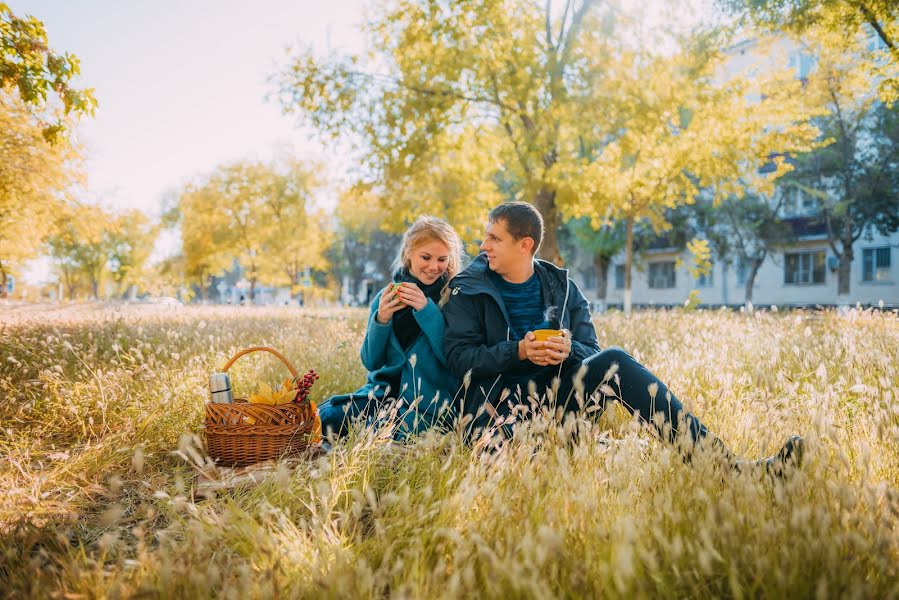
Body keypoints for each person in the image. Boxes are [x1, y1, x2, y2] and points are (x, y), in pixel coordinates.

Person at [442, 201, 803, 474]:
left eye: (494, 237)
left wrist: (568, 350)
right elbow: (458, 359)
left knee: (613, 359)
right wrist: (517, 351)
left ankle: (730, 469)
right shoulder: (468, 289)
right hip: (496, 418)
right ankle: (578, 453)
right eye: (486, 235)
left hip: (559, 408)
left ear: (525, 245)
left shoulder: (562, 288)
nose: (483, 244)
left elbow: (591, 351)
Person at [319, 216, 464, 441]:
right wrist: (382, 319)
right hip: (379, 396)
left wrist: (427, 311)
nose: (434, 266)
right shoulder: (386, 297)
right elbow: (371, 362)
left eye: (442, 259)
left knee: (379, 435)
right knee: (324, 417)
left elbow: (455, 359)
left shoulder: (452, 299)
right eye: (425, 257)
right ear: (408, 254)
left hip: (426, 404)